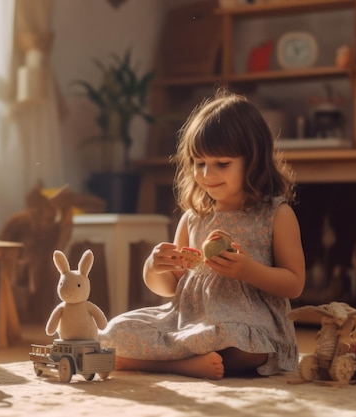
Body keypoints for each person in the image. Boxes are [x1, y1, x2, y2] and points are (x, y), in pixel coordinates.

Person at [99, 90, 306, 380]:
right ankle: (179, 364)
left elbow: (294, 284)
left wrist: (249, 270)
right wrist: (154, 267)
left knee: (250, 348)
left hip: (247, 325)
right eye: (199, 163)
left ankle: (168, 360)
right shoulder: (194, 218)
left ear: (254, 161)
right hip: (189, 322)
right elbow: (170, 287)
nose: (207, 174)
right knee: (115, 330)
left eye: (222, 164)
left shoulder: (276, 215)